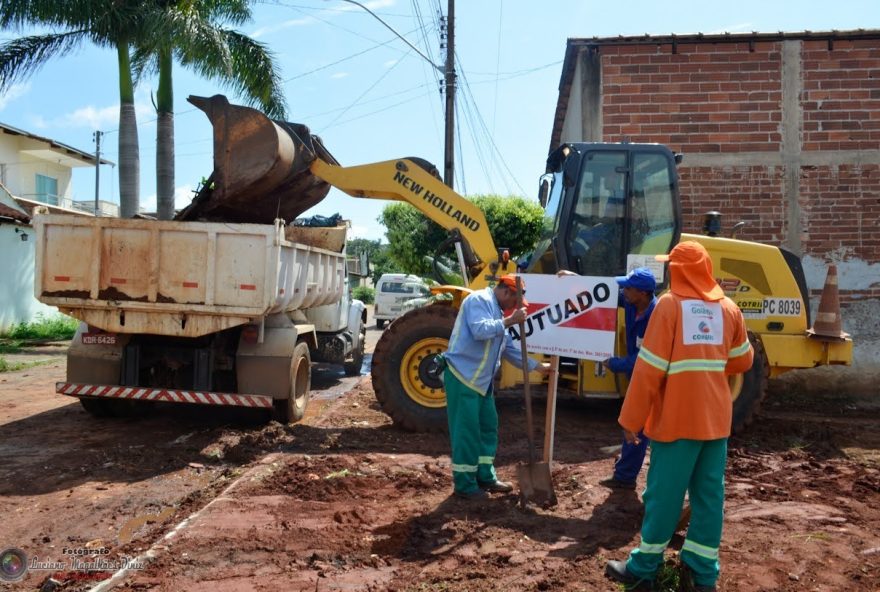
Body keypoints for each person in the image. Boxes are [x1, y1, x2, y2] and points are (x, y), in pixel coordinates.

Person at [605, 241, 754, 592]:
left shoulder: (670, 307)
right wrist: (710, 362)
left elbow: (648, 371)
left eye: (671, 266)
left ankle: (643, 568)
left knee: (663, 496)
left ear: (680, 271)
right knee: (708, 498)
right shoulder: (728, 308)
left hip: (677, 421)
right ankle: (701, 575)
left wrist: (631, 420)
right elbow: (743, 360)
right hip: (716, 422)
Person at [442, 274, 552, 501]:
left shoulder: (499, 313)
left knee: (488, 428)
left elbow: (510, 349)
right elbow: (479, 330)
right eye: (514, 302)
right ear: (506, 291)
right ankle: (465, 485)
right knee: (467, 433)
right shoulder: (478, 301)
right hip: (463, 377)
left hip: (482, 383)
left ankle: (485, 476)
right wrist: (509, 321)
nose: (514, 308)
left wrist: (538, 366)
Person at [598, 267, 657, 490]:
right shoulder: (633, 303)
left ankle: (626, 477)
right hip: (638, 375)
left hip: (651, 376)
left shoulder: (657, 314)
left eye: (628, 288)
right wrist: (576, 281)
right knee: (633, 424)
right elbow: (602, 292)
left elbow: (647, 357)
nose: (623, 291)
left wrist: (615, 364)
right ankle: (625, 475)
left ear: (642, 293)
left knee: (638, 426)